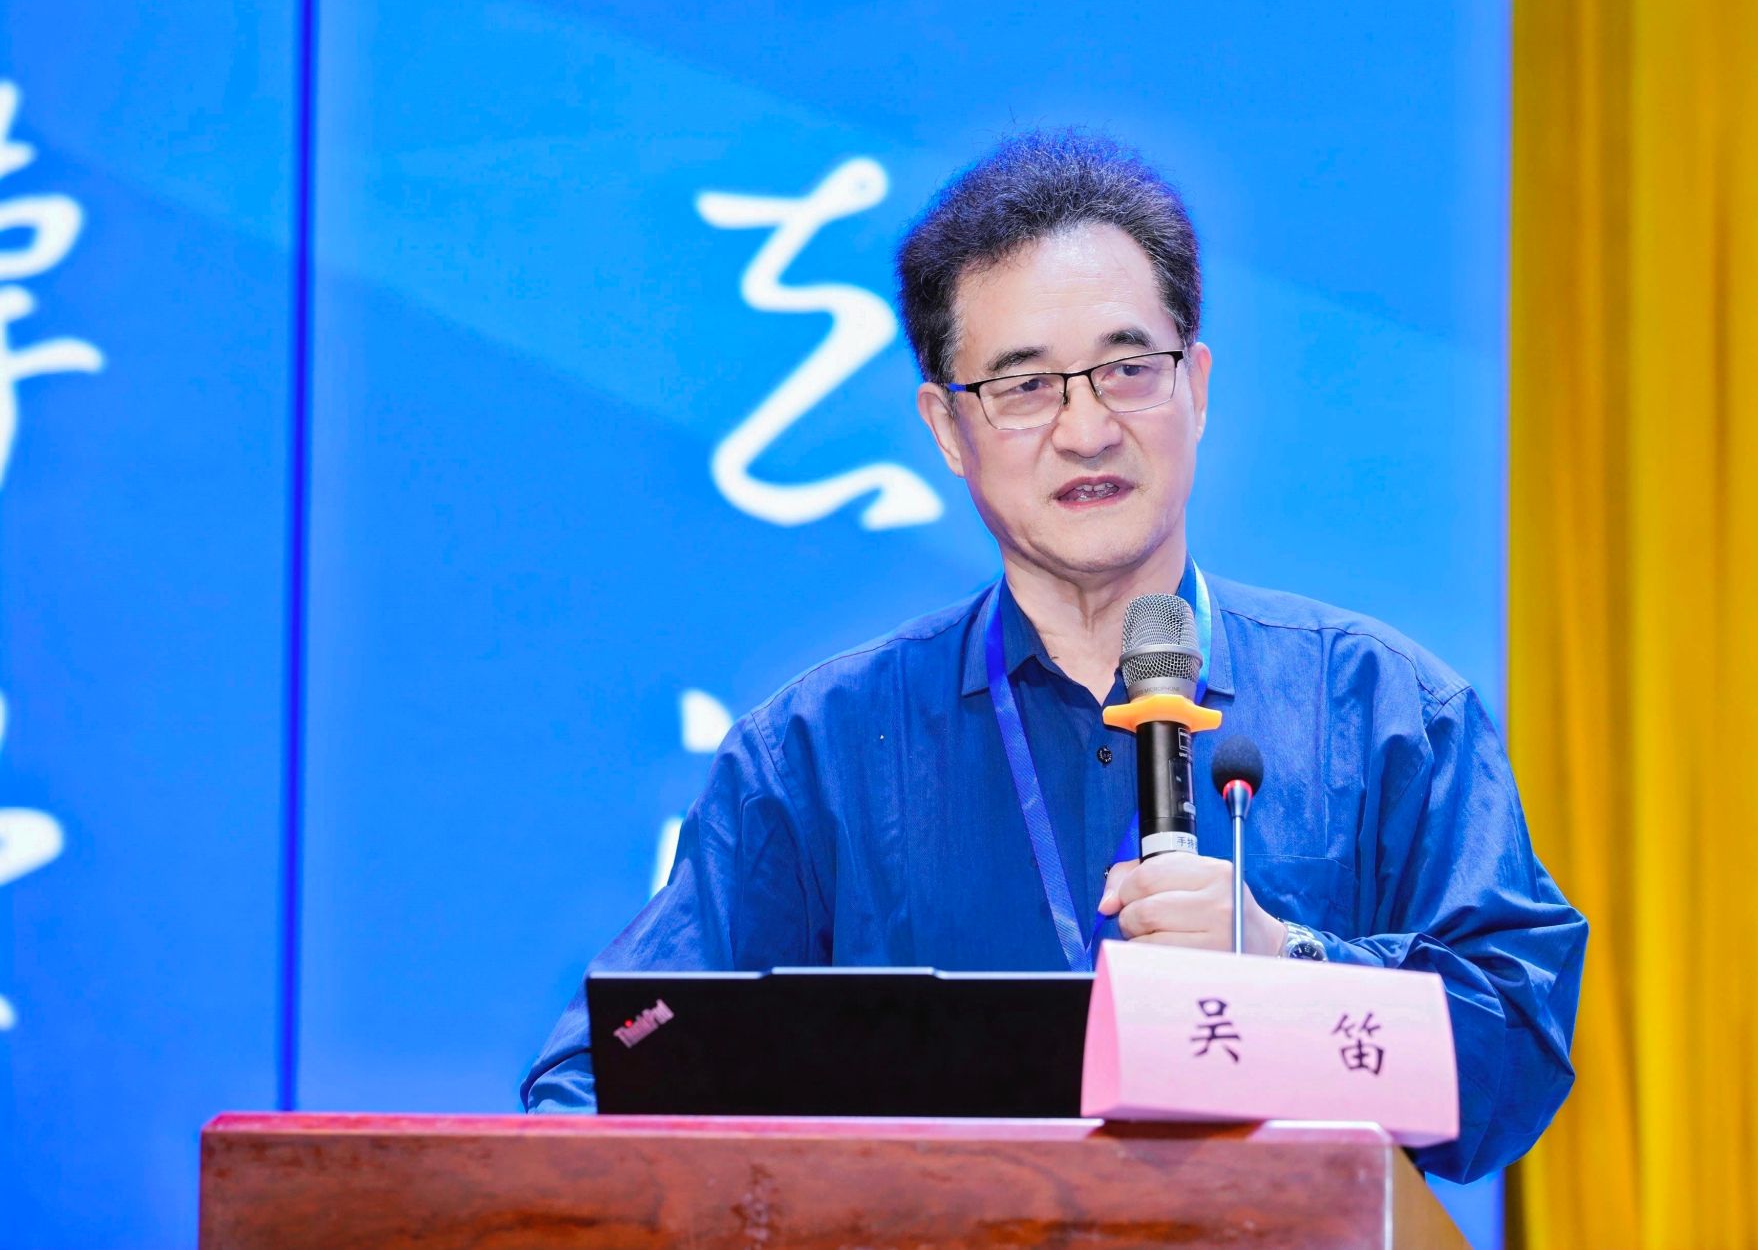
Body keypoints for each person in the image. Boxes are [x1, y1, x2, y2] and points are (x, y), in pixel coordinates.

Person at [522, 130, 1586, 1182]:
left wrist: (1284, 962)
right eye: (1024, 387)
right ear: (947, 428)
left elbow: (1517, 1050)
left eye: (1127, 369)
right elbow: (608, 1073)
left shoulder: (1384, 711)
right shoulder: (815, 755)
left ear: (1196, 386)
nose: (1086, 430)